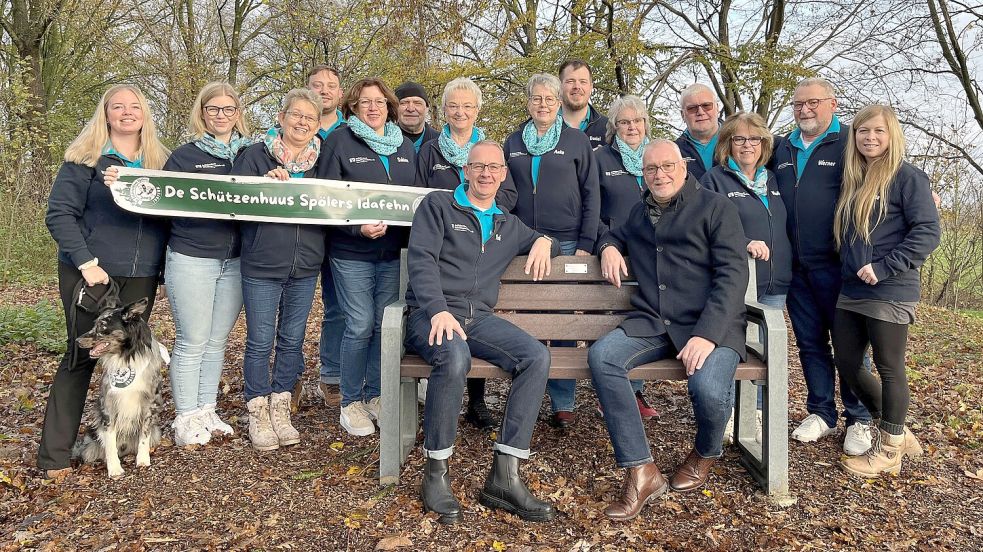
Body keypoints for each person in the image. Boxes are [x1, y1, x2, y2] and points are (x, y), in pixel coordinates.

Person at [591, 140, 748, 521]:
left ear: (682, 167)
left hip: (713, 324)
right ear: (641, 173)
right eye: (650, 169)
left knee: (707, 389)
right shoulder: (639, 212)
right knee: (602, 357)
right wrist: (609, 245)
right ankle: (641, 470)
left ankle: (706, 451)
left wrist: (707, 334)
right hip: (654, 322)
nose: (659, 175)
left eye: (666, 167)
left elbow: (733, 275)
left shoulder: (716, 207)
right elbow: (616, 233)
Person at [406, 140, 560, 524]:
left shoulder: (508, 222)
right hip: (431, 314)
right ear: (465, 170)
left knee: (536, 357)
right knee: (454, 357)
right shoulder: (439, 206)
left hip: (479, 318)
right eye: (478, 166)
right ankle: (436, 474)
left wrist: (544, 241)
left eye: (494, 167)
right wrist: (438, 310)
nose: (486, 173)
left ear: (504, 174)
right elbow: (421, 260)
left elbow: (549, 241)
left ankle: (505, 477)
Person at [39, 85, 170, 478]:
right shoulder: (84, 161)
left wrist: (162, 270)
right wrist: (86, 262)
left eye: (135, 107)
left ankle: (122, 438)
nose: (127, 113)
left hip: (140, 275)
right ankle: (54, 456)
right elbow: (59, 214)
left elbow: (168, 220)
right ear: (106, 114)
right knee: (82, 356)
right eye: (118, 107)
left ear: (145, 114)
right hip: (91, 273)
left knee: (131, 360)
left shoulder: (160, 164)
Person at [832, 105, 940, 477]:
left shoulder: (907, 177)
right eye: (863, 131)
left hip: (890, 288)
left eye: (878, 131)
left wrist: (884, 267)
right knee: (846, 361)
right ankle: (896, 427)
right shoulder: (855, 178)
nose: (870, 138)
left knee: (889, 367)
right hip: (852, 289)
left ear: (891, 134)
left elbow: (927, 232)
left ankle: (890, 451)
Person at [771, 77, 873, 455]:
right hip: (797, 267)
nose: (804, 110)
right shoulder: (782, 147)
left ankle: (859, 417)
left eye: (812, 103)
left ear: (832, 103)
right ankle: (821, 412)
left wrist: (924, 185)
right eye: (798, 105)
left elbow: (893, 167)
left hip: (840, 265)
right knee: (810, 343)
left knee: (850, 345)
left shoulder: (850, 141)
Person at [415, 77, 517, 430]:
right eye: (453, 106)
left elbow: (508, 196)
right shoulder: (431, 148)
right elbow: (416, 193)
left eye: (467, 106)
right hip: (438, 236)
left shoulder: (489, 150)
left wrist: (479, 211)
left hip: (479, 239)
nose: (460, 112)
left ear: (477, 110)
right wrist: (449, 211)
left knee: (477, 318)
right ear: (444, 111)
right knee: (450, 340)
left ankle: (475, 402)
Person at [319, 77, 419, 437]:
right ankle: (351, 402)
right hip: (351, 252)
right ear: (353, 108)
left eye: (379, 101)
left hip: (393, 253)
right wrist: (356, 228)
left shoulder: (405, 147)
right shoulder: (339, 142)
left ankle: (376, 395)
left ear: (389, 107)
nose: (373, 107)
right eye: (364, 102)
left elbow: (416, 200)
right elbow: (326, 200)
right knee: (359, 324)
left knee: (383, 326)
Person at [231, 88, 326, 451]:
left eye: (310, 118)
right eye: (296, 115)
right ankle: (257, 408)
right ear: (281, 117)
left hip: (305, 264)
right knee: (259, 340)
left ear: (318, 125)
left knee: (292, 339)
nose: (302, 122)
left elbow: (336, 201)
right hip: (262, 262)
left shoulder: (322, 159)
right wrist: (262, 188)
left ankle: (281, 405)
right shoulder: (254, 156)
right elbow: (236, 203)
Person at [504, 73, 600, 429]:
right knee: (527, 318)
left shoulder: (576, 142)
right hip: (523, 241)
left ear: (559, 103)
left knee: (560, 320)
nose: (542, 104)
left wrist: (586, 245)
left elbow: (592, 194)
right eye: (536, 99)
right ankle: (527, 394)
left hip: (569, 242)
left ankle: (562, 401)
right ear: (528, 103)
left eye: (549, 98)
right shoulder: (514, 141)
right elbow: (505, 193)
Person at [162, 82, 254, 445]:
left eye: (228, 109)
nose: (221, 116)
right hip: (191, 255)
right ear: (202, 113)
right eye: (213, 109)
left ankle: (206, 409)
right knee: (192, 339)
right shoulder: (184, 157)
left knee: (217, 341)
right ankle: (185, 416)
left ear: (238, 113)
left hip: (235, 260)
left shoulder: (251, 154)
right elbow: (162, 204)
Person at [701, 111, 791, 443]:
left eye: (754, 139)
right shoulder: (715, 180)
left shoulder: (775, 180)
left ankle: (757, 417)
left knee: (765, 355)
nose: (747, 145)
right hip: (733, 283)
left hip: (774, 283)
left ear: (765, 144)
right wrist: (742, 243)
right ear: (727, 144)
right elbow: (704, 228)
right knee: (731, 350)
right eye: (739, 139)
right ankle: (727, 415)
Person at [594, 95, 659, 420]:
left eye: (637, 121)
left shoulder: (657, 156)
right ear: (614, 127)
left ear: (645, 124)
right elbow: (593, 207)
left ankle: (635, 391)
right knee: (613, 320)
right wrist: (607, 244)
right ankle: (611, 390)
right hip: (615, 254)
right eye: (624, 122)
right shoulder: (601, 158)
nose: (631, 127)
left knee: (645, 317)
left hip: (651, 255)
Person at [302, 64, 347, 411]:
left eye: (331, 85)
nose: (324, 90)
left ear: (340, 93)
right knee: (293, 309)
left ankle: (332, 375)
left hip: (341, 234)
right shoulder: (290, 129)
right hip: (300, 234)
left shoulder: (353, 132)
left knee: (337, 309)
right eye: (317, 85)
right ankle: (290, 380)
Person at [558, 59, 609, 149]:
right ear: (560, 86)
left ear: (591, 87)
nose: (577, 86)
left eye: (583, 82)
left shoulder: (608, 128)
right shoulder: (545, 126)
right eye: (570, 81)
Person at [674, 84, 721, 182]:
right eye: (692, 108)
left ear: (717, 108)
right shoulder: (674, 152)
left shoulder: (738, 142)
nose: (700, 112)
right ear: (683, 115)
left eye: (706, 106)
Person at [394, 81, 439, 152]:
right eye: (404, 103)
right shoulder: (383, 142)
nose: (411, 109)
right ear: (394, 108)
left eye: (417, 103)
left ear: (427, 108)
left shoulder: (441, 143)